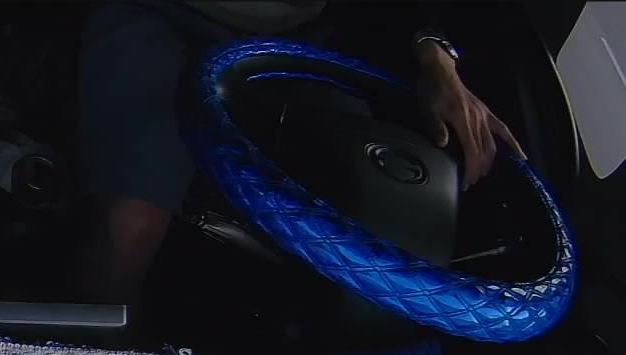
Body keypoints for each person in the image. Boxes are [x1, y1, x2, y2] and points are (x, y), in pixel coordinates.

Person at [76, 0, 527, 305]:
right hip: (155, 11)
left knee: (373, 216)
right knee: (131, 226)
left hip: (300, 33)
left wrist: (438, 63)